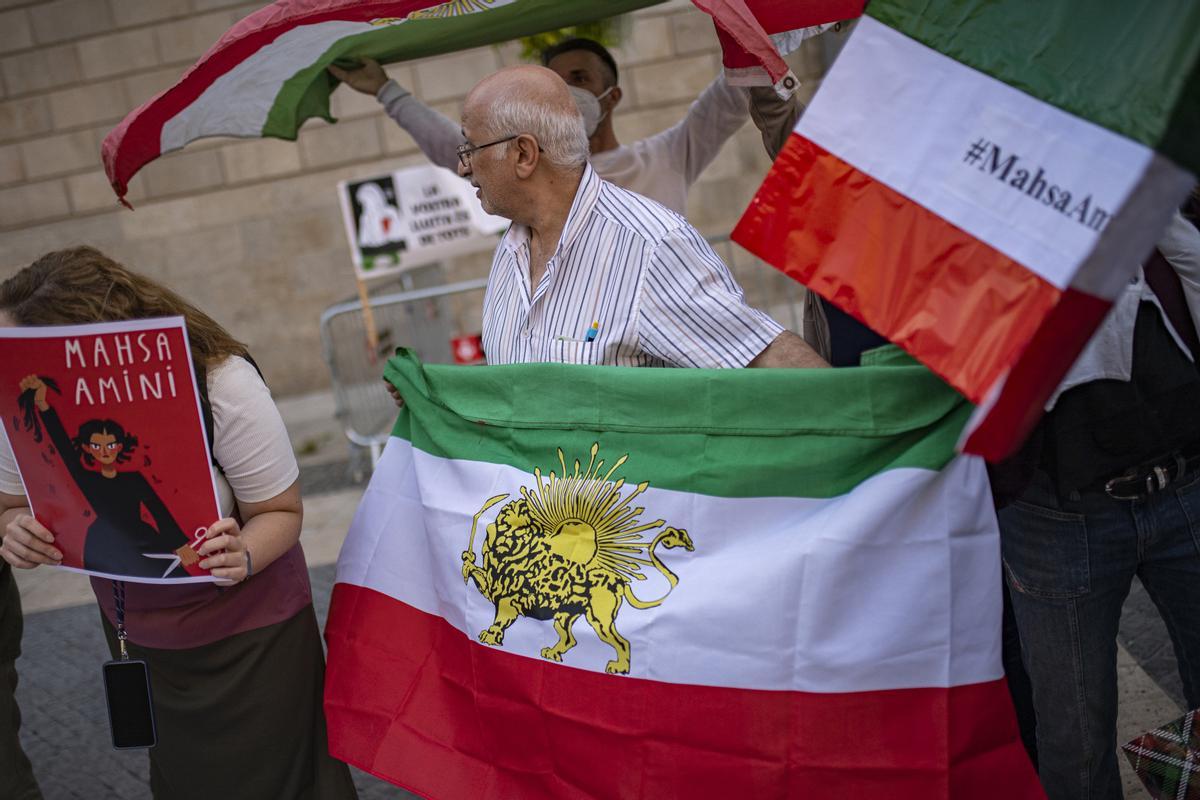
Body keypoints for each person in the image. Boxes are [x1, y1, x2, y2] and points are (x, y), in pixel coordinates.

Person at [0, 248, 357, 800]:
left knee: (286, 781)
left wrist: (243, 554)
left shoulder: (221, 382)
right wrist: (13, 526)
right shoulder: (24, 398)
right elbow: (10, 501)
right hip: (140, 638)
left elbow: (282, 512)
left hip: (252, 636)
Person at [999, 208, 1200, 800]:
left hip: (1186, 483)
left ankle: (1178, 781)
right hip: (1059, 517)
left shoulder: (1154, 188)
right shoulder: (973, 221)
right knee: (1076, 739)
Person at [449, 64, 825, 370]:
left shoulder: (651, 247)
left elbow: (765, 359)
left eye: (469, 147)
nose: (463, 167)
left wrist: (869, 437)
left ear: (523, 155)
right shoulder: (511, 249)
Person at [329, 37, 753, 214]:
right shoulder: (529, 167)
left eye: (581, 79)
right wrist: (385, 90)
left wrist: (752, 35)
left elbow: (732, 94)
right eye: (558, 83)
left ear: (613, 96)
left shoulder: (667, 156)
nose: (569, 93)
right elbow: (455, 145)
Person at [14, 380, 197, 579]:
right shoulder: (87, 478)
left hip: (141, 536)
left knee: (175, 578)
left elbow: (157, 509)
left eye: (110, 446)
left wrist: (179, 544)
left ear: (119, 447)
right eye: (96, 446)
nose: (104, 451)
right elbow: (63, 446)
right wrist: (43, 405)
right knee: (120, 587)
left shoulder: (134, 478)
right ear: (86, 448)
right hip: (104, 539)